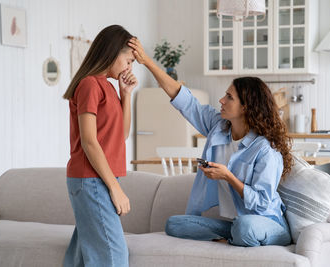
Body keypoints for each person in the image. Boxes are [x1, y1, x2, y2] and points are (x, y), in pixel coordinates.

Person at [128, 38, 293, 247]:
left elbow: (262, 204)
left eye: (229, 97)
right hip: (235, 223)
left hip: (267, 223)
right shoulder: (219, 127)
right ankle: (231, 237)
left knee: (245, 227)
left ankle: (235, 236)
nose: (221, 100)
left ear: (245, 107)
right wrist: (147, 62)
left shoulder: (265, 150)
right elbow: (184, 100)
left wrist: (228, 177)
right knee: (175, 224)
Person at [63, 25, 137, 267]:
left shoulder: (109, 86)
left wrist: (126, 95)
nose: (129, 68)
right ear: (113, 52)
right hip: (91, 179)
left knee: (85, 257)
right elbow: (89, 141)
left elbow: (122, 135)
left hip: (96, 179)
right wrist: (115, 188)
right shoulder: (89, 85)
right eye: (128, 60)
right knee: (113, 257)